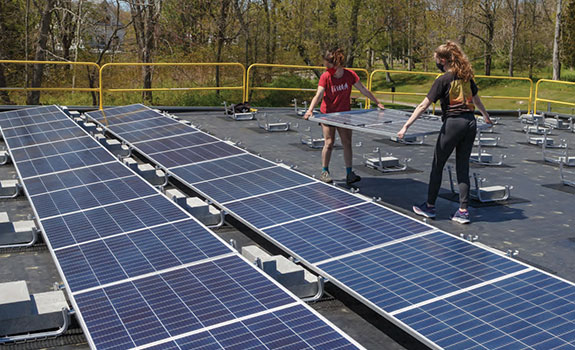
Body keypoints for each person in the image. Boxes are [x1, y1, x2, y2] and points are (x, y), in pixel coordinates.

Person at [397, 41, 492, 224]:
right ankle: (463, 211)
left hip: (453, 124)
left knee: (438, 164)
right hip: (470, 123)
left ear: (443, 60)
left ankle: (430, 207)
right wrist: (486, 116)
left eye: (436, 60)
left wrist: (406, 126)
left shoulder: (442, 80)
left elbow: (424, 105)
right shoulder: (466, 76)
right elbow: (477, 100)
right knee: (462, 167)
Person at [304, 48, 385, 185]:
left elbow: (363, 89)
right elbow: (318, 95)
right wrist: (310, 110)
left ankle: (349, 173)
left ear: (337, 65)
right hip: (328, 114)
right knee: (329, 142)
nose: (326, 69)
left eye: (328, 66)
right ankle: (325, 171)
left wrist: (377, 102)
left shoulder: (349, 75)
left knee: (347, 142)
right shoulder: (325, 77)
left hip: (344, 114)